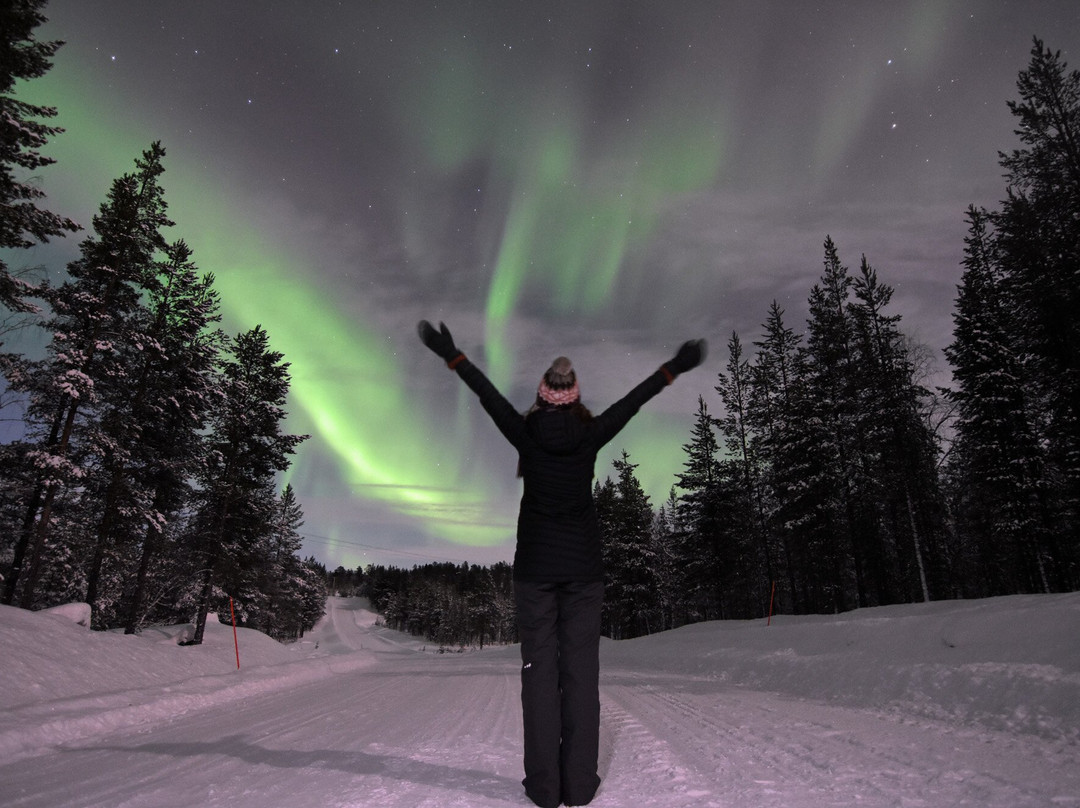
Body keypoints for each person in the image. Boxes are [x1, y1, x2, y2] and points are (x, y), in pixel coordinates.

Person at [417, 320, 707, 808]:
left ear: (543, 396)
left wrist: (453, 355)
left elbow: (487, 396)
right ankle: (579, 786)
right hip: (584, 574)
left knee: (538, 677)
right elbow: (634, 401)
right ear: (573, 397)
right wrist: (674, 367)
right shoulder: (590, 433)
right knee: (580, 675)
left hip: (534, 572)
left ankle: (545, 790)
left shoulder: (526, 435)